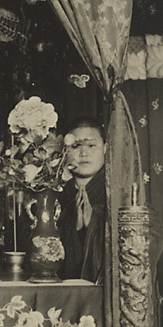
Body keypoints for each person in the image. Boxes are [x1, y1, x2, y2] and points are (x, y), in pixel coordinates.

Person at [58, 117, 106, 282]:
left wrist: (93, 225)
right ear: (64, 151)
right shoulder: (56, 193)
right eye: (75, 146)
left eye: (92, 145)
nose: (84, 153)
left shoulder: (120, 193)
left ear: (105, 149)